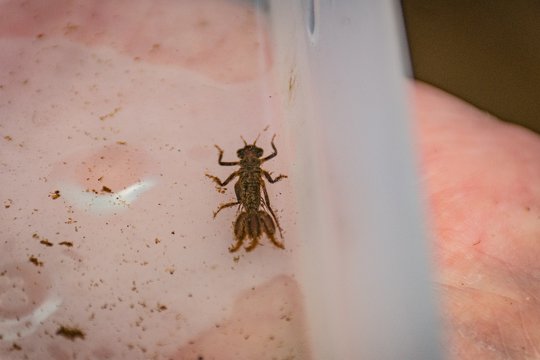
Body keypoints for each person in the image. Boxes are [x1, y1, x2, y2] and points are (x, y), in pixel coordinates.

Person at [0, 1, 538, 359]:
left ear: (251, 156)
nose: (250, 155)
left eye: (250, 152)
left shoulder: (252, 167)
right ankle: (252, 235)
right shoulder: (251, 167)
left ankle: (257, 235)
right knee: (249, 208)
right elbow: (242, 172)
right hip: (248, 196)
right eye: (248, 153)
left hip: (251, 197)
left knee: (254, 209)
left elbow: (248, 170)